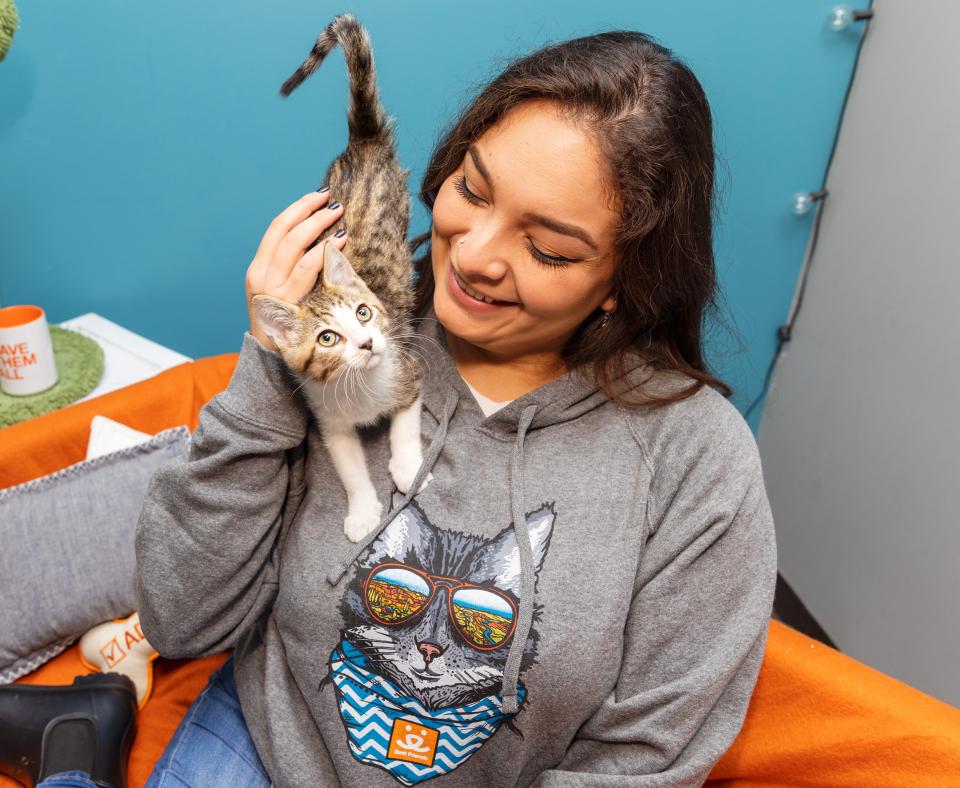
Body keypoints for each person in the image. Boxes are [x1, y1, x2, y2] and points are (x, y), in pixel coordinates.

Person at [31, 28, 777, 788]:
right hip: (262, 750)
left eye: (549, 249)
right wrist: (271, 364)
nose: (476, 252)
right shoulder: (351, 342)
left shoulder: (695, 459)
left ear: (625, 277)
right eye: (472, 190)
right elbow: (181, 618)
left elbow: (647, 759)